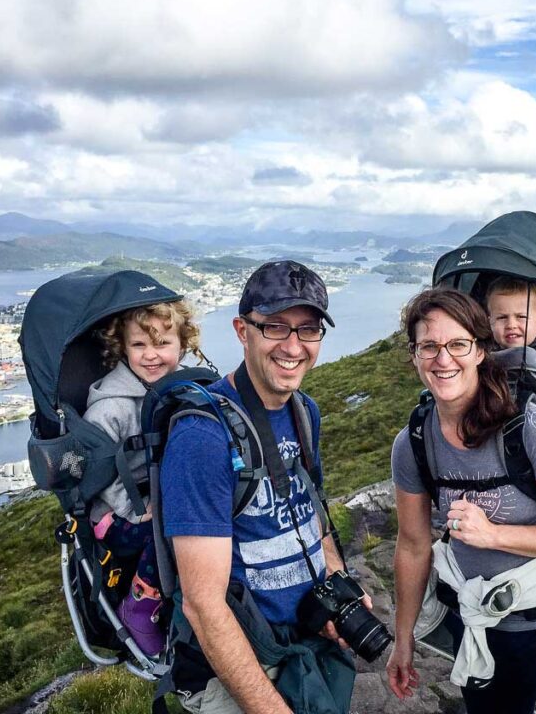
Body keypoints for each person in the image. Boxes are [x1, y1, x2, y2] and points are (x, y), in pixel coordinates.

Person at [385, 287, 536, 714]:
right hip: (484, 629)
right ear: (414, 355)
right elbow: (413, 543)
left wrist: (493, 535)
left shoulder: (528, 427)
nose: (443, 359)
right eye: (429, 346)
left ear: (480, 351)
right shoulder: (414, 442)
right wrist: (402, 640)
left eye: (458, 344)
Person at [161, 260, 359, 714]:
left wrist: (338, 583)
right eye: (275, 327)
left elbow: (314, 515)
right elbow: (203, 607)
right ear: (241, 330)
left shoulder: (304, 412)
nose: (293, 346)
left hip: (302, 643)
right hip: (241, 663)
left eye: (308, 330)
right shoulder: (202, 438)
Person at [84, 299, 201, 656]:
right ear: (123, 348)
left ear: (183, 345)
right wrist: (135, 508)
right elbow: (96, 472)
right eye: (139, 345)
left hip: (155, 494)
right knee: (169, 527)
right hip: (113, 513)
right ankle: (140, 604)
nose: (151, 355)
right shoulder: (110, 409)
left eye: (163, 344)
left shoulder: (177, 390)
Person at [485, 276, 536, 352]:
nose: (511, 325)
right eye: (502, 317)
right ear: (490, 323)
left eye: (521, 317)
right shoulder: (482, 356)